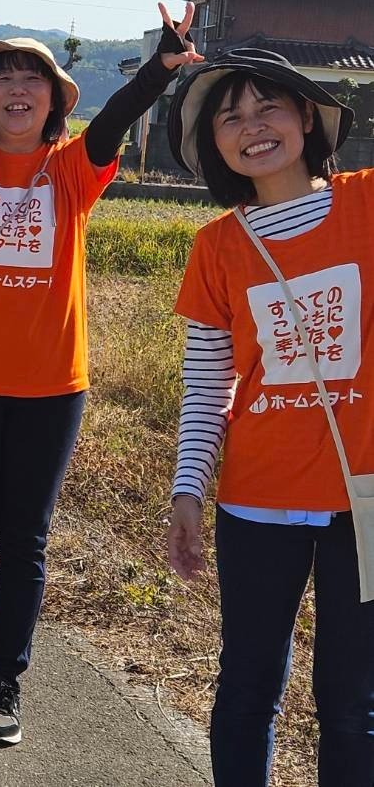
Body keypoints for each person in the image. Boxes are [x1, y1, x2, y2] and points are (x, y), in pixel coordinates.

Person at [0, 0, 201, 743]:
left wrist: (160, 65)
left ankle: (3, 684)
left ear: (54, 98)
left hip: (53, 388)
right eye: (1, 78)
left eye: (33, 78)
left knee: (24, 540)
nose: (16, 88)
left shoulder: (71, 170)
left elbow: (116, 118)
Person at [164, 46, 373, 786]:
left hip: (365, 501)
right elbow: (205, 385)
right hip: (255, 498)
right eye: (230, 118)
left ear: (307, 118)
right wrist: (187, 490)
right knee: (247, 689)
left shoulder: (367, 202)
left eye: (267, 107)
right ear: (213, 144)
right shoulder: (215, 248)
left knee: (352, 702)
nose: (251, 127)